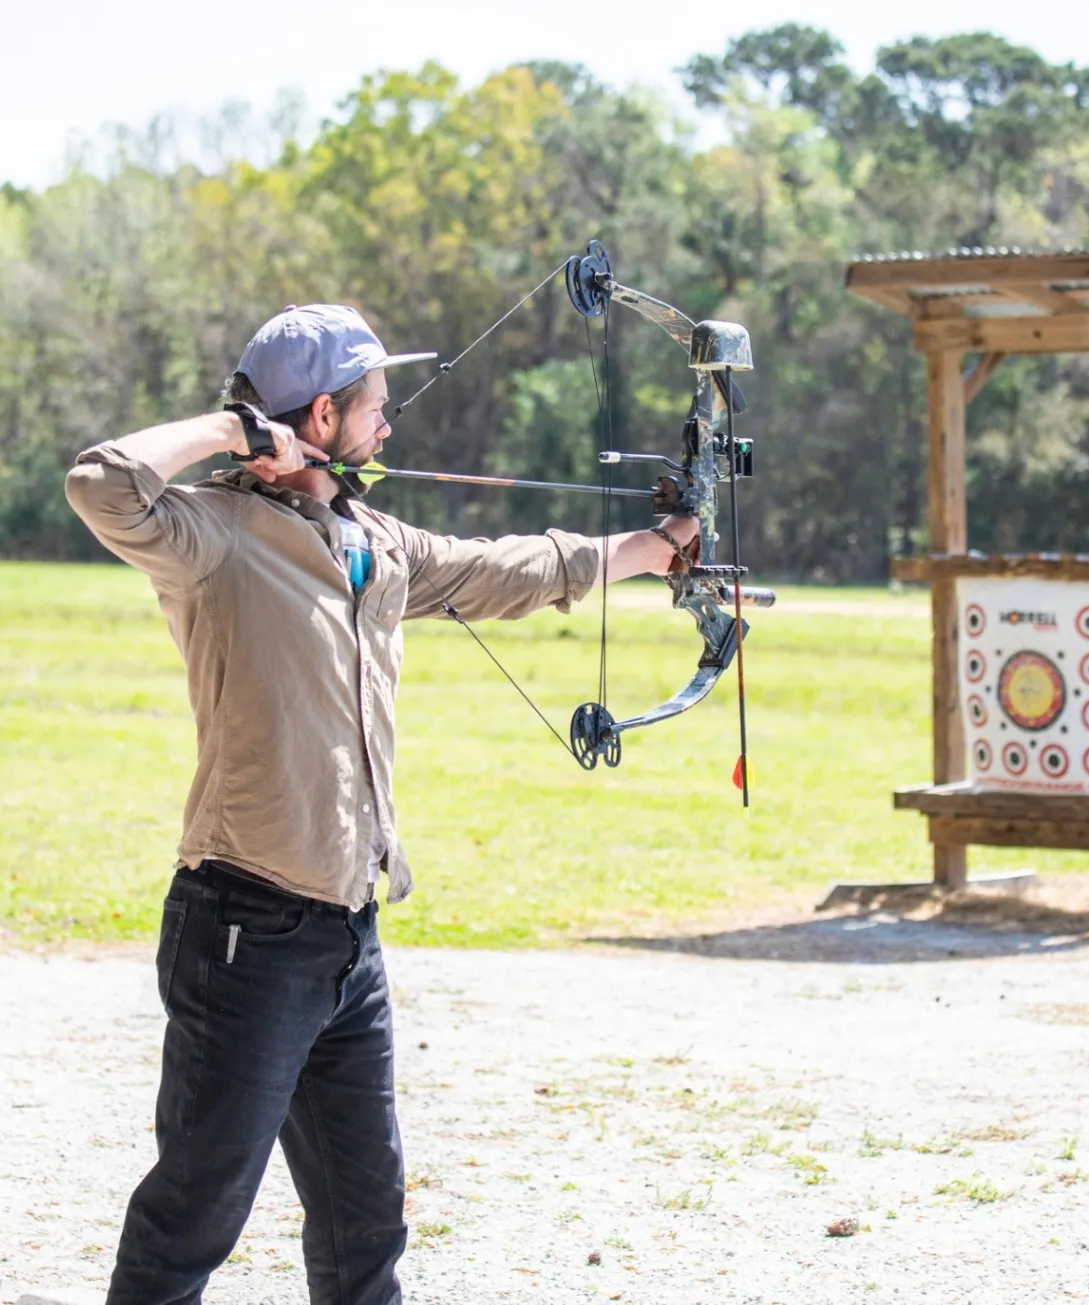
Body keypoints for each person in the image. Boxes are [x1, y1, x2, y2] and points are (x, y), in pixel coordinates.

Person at [62, 303, 697, 1305]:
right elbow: (99, 481)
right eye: (375, 408)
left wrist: (649, 547)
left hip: (347, 938)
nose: (389, 426)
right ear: (320, 417)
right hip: (244, 932)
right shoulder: (215, 537)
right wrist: (234, 432)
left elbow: (503, 568)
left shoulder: (372, 543)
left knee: (369, 1227)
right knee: (194, 1215)